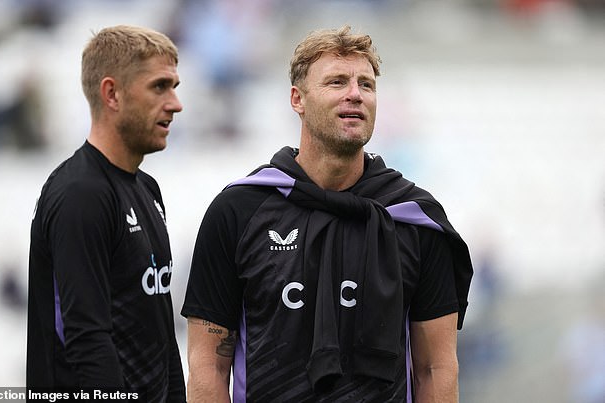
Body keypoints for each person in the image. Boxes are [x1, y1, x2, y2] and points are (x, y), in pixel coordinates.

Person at [181, 25, 473, 402]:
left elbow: (436, 369)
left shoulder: (414, 219)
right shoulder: (238, 211)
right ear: (297, 99)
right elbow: (208, 365)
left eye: (366, 85)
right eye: (337, 82)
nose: (355, 94)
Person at [27, 25, 186, 401]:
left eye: (175, 86)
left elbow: (161, 331)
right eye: (160, 87)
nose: (176, 103)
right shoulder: (80, 194)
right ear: (111, 93)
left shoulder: (146, 189)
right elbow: (85, 338)